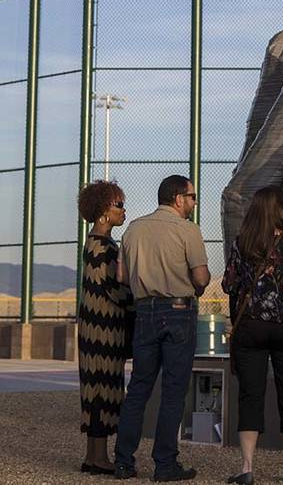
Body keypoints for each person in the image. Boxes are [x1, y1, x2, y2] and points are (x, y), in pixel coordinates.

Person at [114, 175, 211, 481]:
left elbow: (121, 276)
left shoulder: (133, 229)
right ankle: (165, 464)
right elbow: (200, 278)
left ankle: (123, 461)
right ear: (178, 198)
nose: (195, 202)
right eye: (192, 196)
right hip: (179, 311)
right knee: (173, 391)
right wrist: (197, 285)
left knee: (138, 388)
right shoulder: (188, 230)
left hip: (144, 312)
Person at [222, 186, 283, 485]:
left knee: (251, 395)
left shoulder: (242, 243)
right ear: (281, 210)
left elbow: (228, 284)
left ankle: (248, 467)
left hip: (251, 327)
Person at [76, 180, 133, 475]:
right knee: (103, 388)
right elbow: (114, 289)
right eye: (118, 205)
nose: (123, 210)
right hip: (104, 330)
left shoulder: (95, 243)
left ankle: (95, 455)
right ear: (103, 212)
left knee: (98, 388)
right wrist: (138, 298)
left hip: (97, 328)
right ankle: (97, 457)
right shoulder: (104, 247)